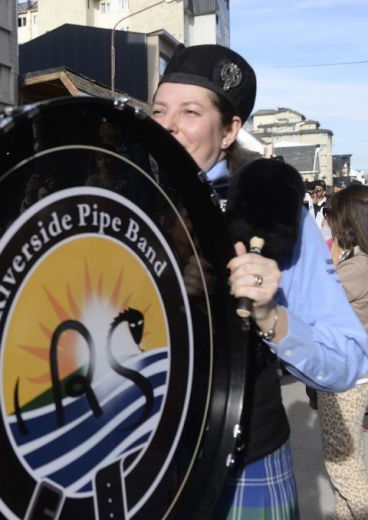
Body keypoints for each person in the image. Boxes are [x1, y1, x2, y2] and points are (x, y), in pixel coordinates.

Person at [151, 44, 368, 517]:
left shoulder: (269, 209)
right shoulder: (123, 200)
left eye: (190, 112)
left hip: (245, 468)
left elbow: (348, 359)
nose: (168, 125)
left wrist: (271, 316)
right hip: (139, 464)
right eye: (159, 110)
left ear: (229, 130)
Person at [316, 185, 368, 518]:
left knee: (343, 466)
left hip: (345, 379)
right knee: (351, 459)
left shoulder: (356, 267)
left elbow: (317, 303)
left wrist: (333, 252)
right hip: (357, 374)